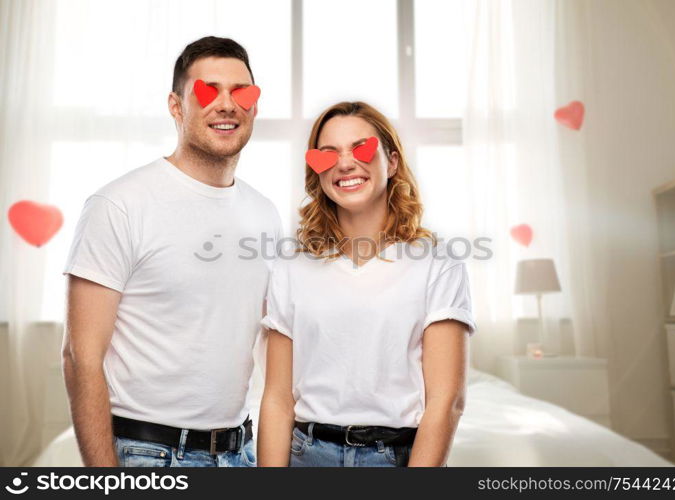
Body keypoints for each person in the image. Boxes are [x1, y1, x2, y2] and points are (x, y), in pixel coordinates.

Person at [61, 36, 281, 467]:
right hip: (151, 454)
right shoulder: (119, 205)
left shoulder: (265, 214)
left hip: (239, 451)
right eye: (207, 90)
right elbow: (80, 356)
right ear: (176, 106)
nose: (227, 104)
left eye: (242, 92)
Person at [257, 101, 476, 467]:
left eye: (361, 148)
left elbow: (447, 401)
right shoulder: (292, 264)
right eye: (328, 155)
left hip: (394, 458)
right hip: (306, 456)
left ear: (391, 162)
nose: (345, 164)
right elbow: (278, 398)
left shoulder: (438, 263)